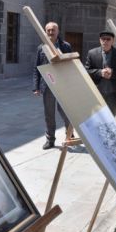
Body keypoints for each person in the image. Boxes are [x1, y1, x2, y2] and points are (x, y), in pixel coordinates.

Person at [32, 21, 72, 150]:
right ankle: (50, 140)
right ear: (45, 31)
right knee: (49, 114)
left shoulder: (66, 46)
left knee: (65, 112)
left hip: (62, 85)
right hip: (47, 85)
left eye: (53, 30)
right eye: (48, 30)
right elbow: (36, 68)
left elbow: (71, 65)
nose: (50, 32)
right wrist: (36, 86)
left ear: (58, 31)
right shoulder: (41, 48)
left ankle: (70, 135)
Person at [85, 31, 116, 116]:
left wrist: (112, 73)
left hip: (112, 95)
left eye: (108, 39)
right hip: (97, 94)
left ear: (113, 41)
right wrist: (99, 72)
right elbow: (86, 71)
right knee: (96, 119)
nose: (105, 41)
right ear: (100, 40)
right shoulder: (92, 53)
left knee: (111, 120)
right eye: (103, 39)